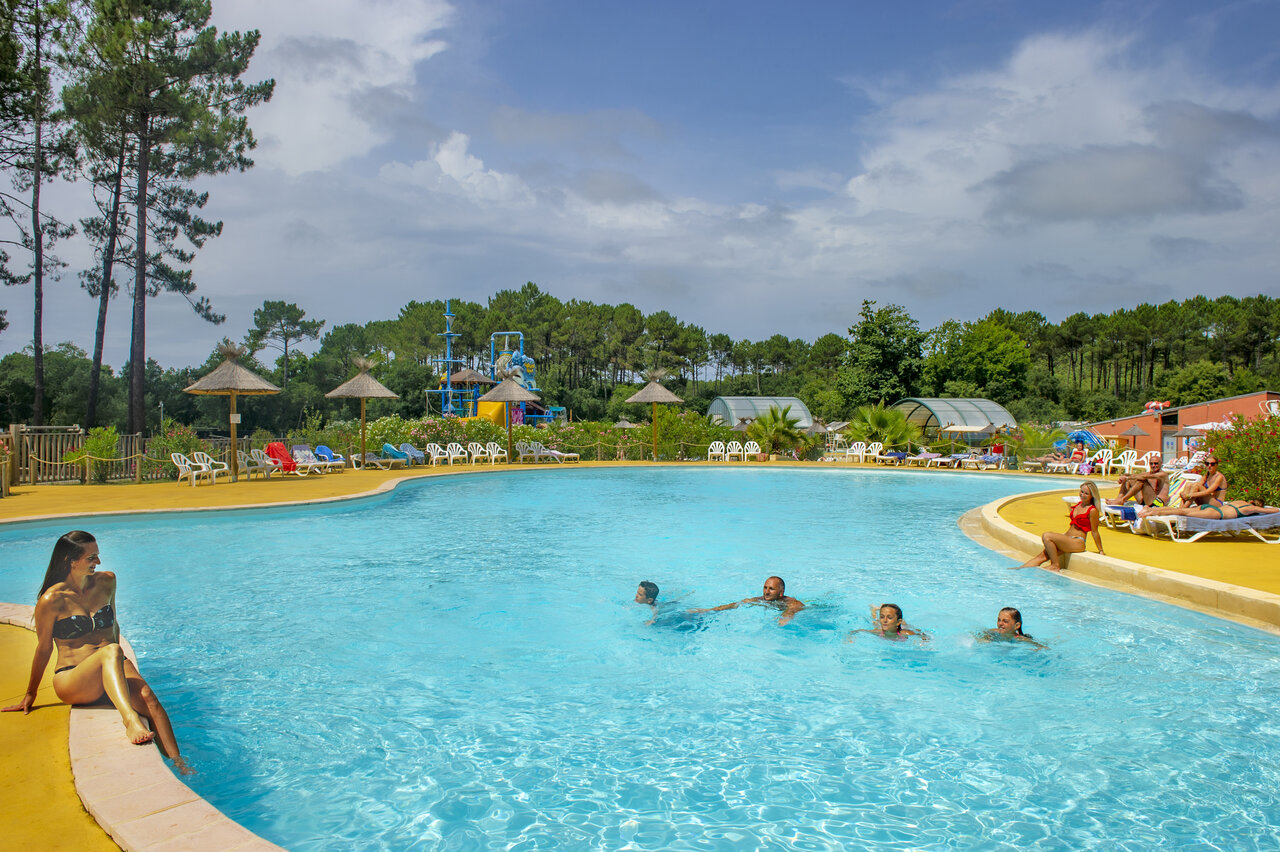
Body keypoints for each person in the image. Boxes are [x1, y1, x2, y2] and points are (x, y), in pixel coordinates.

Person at [2, 531, 188, 773]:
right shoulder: (51, 600)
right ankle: (130, 720)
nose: (98, 562)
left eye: (97, 556)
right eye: (91, 558)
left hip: (111, 665)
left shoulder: (107, 581)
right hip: (74, 678)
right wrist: (30, 693)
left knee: (148, 697)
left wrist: (124, 666)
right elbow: (44, 648)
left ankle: (181, 767)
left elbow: (114, 625)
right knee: (112, 650)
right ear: (71, 560)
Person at [1016, 481, 1105, 571]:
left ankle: (1055, 565)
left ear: (1092, 495)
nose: (1082, 494)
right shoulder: (1079, 505)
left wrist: (1100, 550)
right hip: (1067, 538)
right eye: (1081, 491)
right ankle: (1018, 570)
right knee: (1041, 556)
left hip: (1077, 542)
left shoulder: (1092, 510)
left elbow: (1095, 531)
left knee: (1047, 536)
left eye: (1086, 493)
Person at [690, 576, 805, 625]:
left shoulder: (790, 602)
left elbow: (793, 610)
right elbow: (736, 604)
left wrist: (784, 618)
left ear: (781, 592)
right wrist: (708, 610)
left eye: (771, 589)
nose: (766, 592)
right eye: (765, 588)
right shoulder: (761, 600)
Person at [848, 603, 928, 641]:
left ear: (897, 622)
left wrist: (924, 641)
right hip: (891, 626)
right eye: (882, 617)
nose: (885, 620)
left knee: (905, 624)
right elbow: (856, 631)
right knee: (876, 623)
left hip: (899, 627)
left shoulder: (905, 633)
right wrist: (850, 638)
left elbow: (922, 635)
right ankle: (874, 610)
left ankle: (879, 610)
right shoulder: (878, 632)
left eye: (889, 617)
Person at [1139, 499, 1279, 520]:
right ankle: (1152, 512)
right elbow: (1269, 511)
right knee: (1183, 512)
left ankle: (1150, 510)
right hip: (1216, 513)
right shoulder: (1250, 508)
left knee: (1181, 510)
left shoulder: (1240, 501)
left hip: (1212, 508)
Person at [978, 607, 1045, 649]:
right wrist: (984, 638)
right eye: (999, 620)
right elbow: (979, 634)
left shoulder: (1021, 639)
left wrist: (1034, 650)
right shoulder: (994, 632)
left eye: (1005, 621)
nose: (1000, 623)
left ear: (1017, 625)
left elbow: (1044, 647)